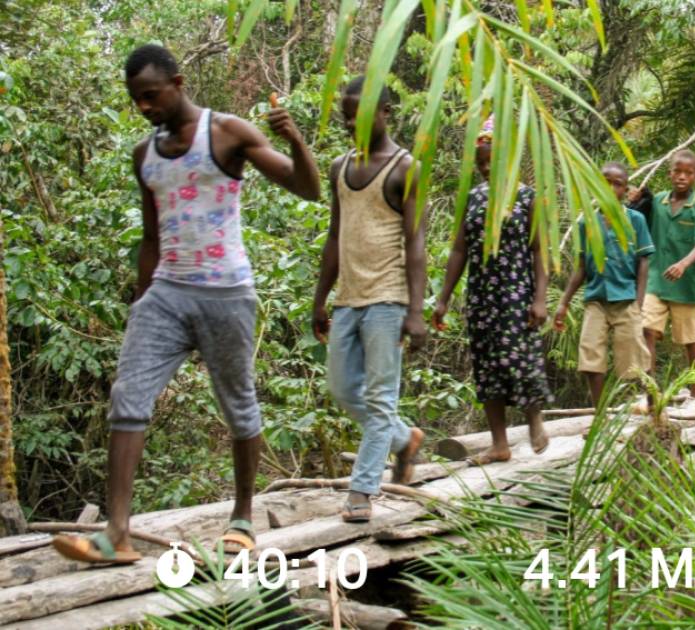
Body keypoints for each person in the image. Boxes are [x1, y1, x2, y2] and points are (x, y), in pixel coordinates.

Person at [52, 44, 321, 564]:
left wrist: (295, 139)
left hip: (227, 293)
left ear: (177, 84)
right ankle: (117, 532)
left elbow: (306, 189)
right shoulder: (144, 155)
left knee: (238, 404)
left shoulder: (227, 133)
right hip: (166, 295)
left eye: (151, 95)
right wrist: (141, 301)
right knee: (128, 396)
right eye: (136, 99)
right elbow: (152, 238)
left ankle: (242, 517)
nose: (144, 107)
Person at [312, 77, 428, 523]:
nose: (351, 124)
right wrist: (320, 299)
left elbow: (415, 243)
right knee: (342, 390)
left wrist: (415, 310)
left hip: (388, 298)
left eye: (359, 115)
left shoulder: (405, 168)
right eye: (346, 117)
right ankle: (404, 440)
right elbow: (334, 235)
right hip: (348, 298)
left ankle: (362, 489)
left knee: (380, 399)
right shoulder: (339, 167)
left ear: (384, 113)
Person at [432, 118, 550, 465]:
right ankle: (499, 444)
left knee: (520, 357)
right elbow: (459, 250)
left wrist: (540, 298)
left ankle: (534, 419)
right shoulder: (472, 199)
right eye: (480, 162)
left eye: (491, 161)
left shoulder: (527, 198)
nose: (485, 168)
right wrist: (443, 298)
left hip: (517, 293)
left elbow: (539, 250)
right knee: (486, 367)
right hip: (482, 296)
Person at [553, 163, 655, 404]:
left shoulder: (636, 220)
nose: (610, 188)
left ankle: (655, 406)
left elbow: (643, 262)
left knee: (636, 357)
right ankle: (599, 413)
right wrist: (563, 303)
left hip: (626, 299)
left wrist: (639, 301)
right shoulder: (585, 224)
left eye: (617, 184)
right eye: (605, 182)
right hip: (596, 299)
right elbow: (581, 267)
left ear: (625, 190)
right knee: (590, 355)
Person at [641, 150, 695, 399]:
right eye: (678, 171)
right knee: (646, 330)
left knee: (690, 340)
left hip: (686, 287)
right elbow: (637, 216)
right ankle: (651, 394)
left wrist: (684, 264)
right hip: (655, 281)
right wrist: (636, 197)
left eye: (688, 173)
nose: (682, 177)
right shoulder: (658, 202)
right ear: (670, 173)